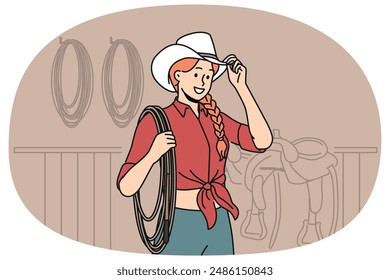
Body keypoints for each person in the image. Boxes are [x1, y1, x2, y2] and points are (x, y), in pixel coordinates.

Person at [117, 32, 273, 255]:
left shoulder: (215, 117)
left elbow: (262, 141)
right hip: (180, 221)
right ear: (178, 75)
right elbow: (126, 186)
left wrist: (242, 89)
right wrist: (153, 154)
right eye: (197, 73)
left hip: (219, 220)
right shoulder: (157, 120)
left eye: (208, 75)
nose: (203, 82)